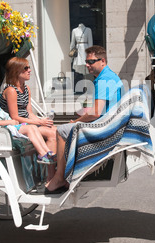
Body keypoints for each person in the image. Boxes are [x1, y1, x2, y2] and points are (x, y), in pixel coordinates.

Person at [44, 45, 123, 194]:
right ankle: (67, 176)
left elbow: (95, 113)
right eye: (86, 62)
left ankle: (60, 177)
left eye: (91, 61)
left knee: (61, 131)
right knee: (69, 128)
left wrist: (76, 121)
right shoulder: (110, 76)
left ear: (103, 61)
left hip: (105, 128)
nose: (87, 65)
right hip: (110, 125)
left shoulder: (104, 79)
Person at [0, 79, 55, 164]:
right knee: (30, 129)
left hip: (9, 127)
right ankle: (41, 153)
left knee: (33, 127)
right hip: (2, 130)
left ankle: (47, 151)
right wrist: (10, 122)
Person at [0, 56, 57, 154]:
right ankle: (49, 163)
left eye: (29, 68)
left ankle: (51, 162)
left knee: (57, 130)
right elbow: (15, 117)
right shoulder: (11, 91)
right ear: (16, 71)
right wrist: (40, 123)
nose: (29, 70)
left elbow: (29, 112)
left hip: (28, 122)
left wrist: (40, 121)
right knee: (53, 134)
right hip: (19, 125)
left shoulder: (26, 88)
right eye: (26, 68)